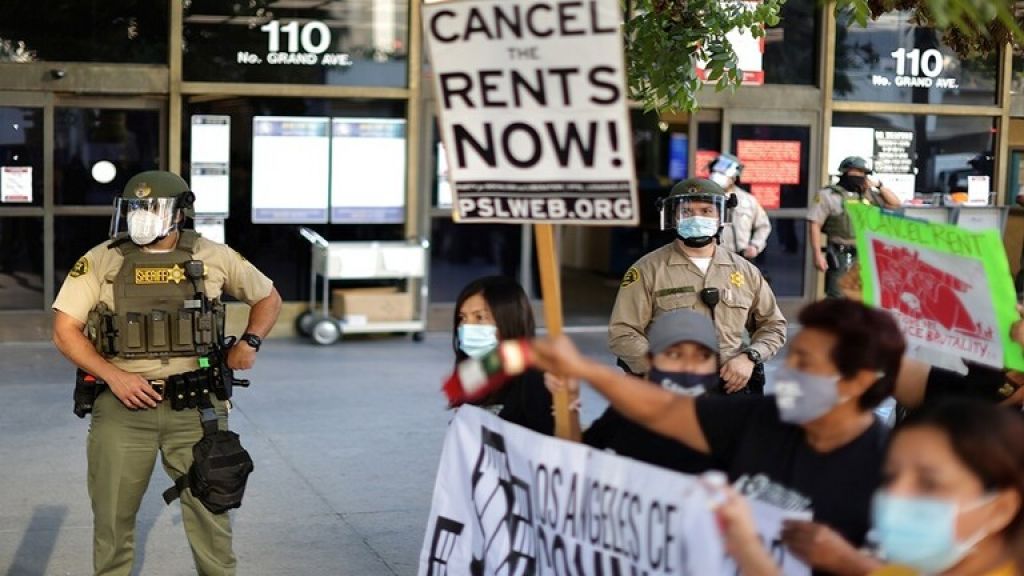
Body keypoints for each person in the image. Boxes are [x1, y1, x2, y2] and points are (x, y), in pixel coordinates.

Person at [539, 298, 907, 575]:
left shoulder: (897, 473)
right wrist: (584, 370)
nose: (787, 371)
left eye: (804, 363)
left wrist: (849, 563)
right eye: (792, 357)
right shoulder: (762, 417)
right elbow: (664, 410)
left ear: (857, 381)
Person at [51, 170, 282, 575]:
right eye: (135, 207)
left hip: (197, 409)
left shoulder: (213, 255)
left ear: (180, 214)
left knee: (212, 515)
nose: (142, 216)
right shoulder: (102, 258)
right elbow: (64, 331)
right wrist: (113, 375)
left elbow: (268, 297)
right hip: (123, 409)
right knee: (112, 519)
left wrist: (250, 342)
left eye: (153, 207)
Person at [608, 177, 786, 394]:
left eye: (706, 211)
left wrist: (750, 357)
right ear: (674, 216)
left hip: (731, 388)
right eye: (687, 211)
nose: (696, 218)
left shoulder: (745, 271)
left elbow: (773, 326)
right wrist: (662, 366)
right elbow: (623, 332)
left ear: (721, 216)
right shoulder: (647, 270)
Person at [585, 309, 719, 474]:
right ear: (650, 360)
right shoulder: (624, 416)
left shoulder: (730, 425)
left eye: (702, 356)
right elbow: (580, 463)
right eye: (674, 355)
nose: (688, 367)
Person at [453, 275, 556, 435]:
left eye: (479, 317)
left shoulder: (535, 377)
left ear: (509, 320)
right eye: (463, 318)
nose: (467, 326)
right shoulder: (473, 371)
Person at [808, 156, 901, 299]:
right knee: (837, 295)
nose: (859, 176)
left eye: (863, 173)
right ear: (845, 172)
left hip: (863, 253)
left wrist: (879, 186)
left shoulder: (867, 195)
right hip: (839, 253)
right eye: (856, 172)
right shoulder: (829, 195)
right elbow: (815, 223)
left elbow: (895, 204)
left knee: (861, 295)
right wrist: (817, 254)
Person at [709, 154, 772, 261]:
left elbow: (763, 226)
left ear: (734, 177)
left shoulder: (747, 200)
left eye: (722, 174)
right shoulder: (702, 199)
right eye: (715, 172)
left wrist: (755, 246)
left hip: (741, 258)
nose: (716, 176)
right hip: (712, 258)